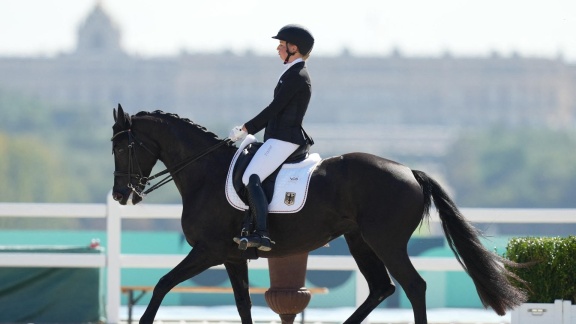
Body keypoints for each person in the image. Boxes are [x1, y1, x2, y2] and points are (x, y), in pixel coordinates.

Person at [228, 24, 315, 251]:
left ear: (293, 48)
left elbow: (274, 108)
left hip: (285, 139)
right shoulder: (291, 72)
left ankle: (262, 234)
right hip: (278, 137)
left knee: (251, 176)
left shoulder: (297, 76)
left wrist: (247, 128)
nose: (278, 48)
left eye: (281, 44)